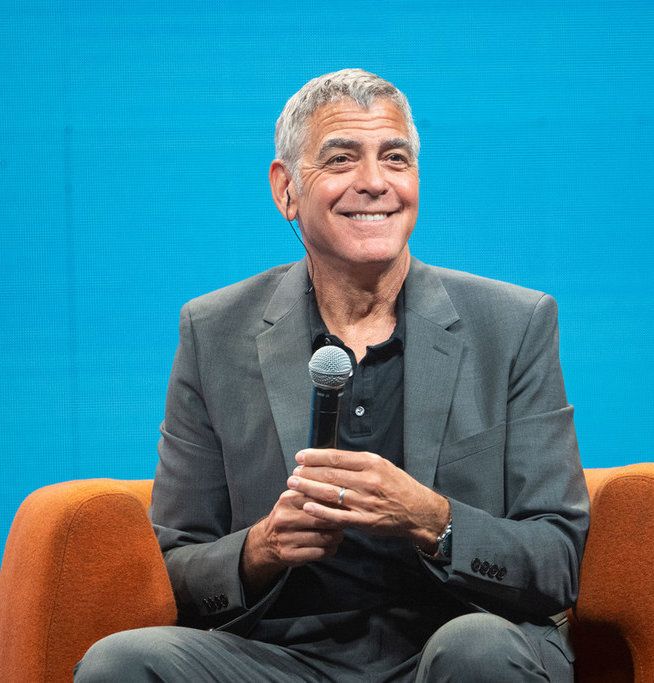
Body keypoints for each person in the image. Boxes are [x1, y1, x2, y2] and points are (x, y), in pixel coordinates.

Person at [75, 68, 589, 682]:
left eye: (395, 158)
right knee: (121, 664)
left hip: (454, 639)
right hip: (280, 658)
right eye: (341, 159)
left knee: (475, 648)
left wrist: (433, 519)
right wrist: (260, 548)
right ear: (287, 190)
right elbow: (172, 565)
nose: (374, 182)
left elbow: (558, 557)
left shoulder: (512, 324)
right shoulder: (213, 331)